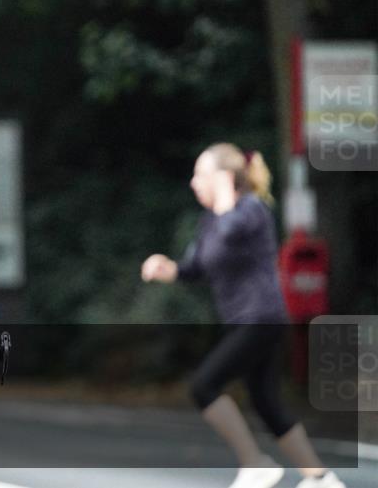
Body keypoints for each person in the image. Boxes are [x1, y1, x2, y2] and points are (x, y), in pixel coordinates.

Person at [141, 144, 345, 488]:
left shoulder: (252, 210)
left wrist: (223, 198)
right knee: (266, 403)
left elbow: (229, 232)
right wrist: (169, 269)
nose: (193, 183)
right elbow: (196, 266)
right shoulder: (211, 220)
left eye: (200, 175)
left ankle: (255, 464)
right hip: (246, 321)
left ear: (223, 178)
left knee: (204, 385)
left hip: (260, 318)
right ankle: (322, 479)